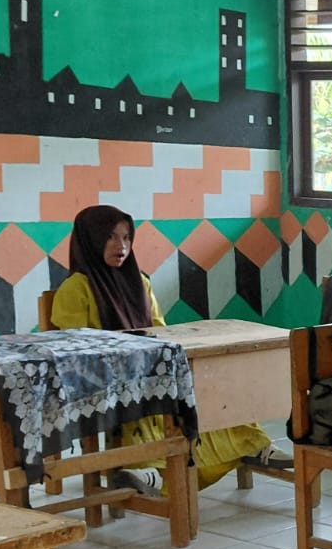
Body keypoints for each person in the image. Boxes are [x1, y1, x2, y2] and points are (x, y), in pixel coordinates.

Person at [50, 205, 287, 491]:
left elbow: (160, 332)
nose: (121, 246)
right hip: (104, 380)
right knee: (139, 396)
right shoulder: (76, 288)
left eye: (126, 238)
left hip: (150, 369)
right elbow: (73, 347)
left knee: (211, 387)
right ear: (90, 240)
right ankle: (143, 468)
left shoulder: (140, 282)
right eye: (110, 237)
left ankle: (251, 445)